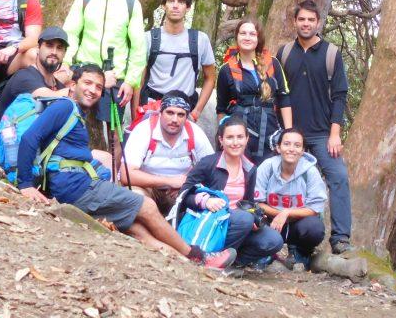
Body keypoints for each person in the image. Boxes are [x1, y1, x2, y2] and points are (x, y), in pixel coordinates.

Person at [15, 63, 236, 269]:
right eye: (87, 83)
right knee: (146, 206)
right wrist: (25, 184)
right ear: (72, 85)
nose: (93, 90)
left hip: (72, 185)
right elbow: (29, 138)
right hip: (76, 187)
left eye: (98, 87)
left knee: (136, 229)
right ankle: (198, 255)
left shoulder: (75, 114)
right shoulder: (64, 106)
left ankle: (188, 265)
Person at [276, 0, 353, 254]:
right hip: (291, 134)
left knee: (338, 177)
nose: (306, 24)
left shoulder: (331, 53)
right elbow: (280, 94)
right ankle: (290, 242)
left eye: (311, 19)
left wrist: (335, 133)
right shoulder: (285, 53)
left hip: (322, 134)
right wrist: (286, 133)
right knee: (288, 183)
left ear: (318, 22)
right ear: (295, 22)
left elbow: (339, 95)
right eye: (302, 19)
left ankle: (340, 238)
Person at [182, 117, 284, 268]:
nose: (235, 142)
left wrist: (255, 216)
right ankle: (207, 257)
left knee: (273, 240)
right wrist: (205, 201)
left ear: (247, 139)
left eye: (240, 137)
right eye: (230, 137)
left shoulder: (250, 168)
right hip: (209, 221)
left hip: (237, 224)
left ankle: (234, 262)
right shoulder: (208, 163)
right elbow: (183, 195)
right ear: (221, 140)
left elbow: (248, 202)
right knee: (244, 219)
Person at [61, 0, 146, 122]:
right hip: (84, 71)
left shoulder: (131, 3)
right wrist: (66, 63)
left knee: (113, 132)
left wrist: (130, 82)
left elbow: (138, 48)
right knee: (69, 120)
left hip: (115, 77)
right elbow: (71, 34)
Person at [120, 91, 214, 214]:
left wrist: (188, 183)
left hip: (181, 190)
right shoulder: (144, 130)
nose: (175, 119)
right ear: (160, 112)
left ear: (187, 117)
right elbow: (126, 175)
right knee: (135, 197)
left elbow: (212, 167)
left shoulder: (195, 132)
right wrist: (169, 181)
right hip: (147, 188)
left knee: (208, 202)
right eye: (170, 113)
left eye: (181, 115)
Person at [216, 18, 291, 164]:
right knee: (241, 170)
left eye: (252, 34)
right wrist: (223, 136)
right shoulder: (226, 69)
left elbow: (284, 98)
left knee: (269, 168)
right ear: (237, 36)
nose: (247, 37)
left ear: (258, 38)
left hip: (269, 129)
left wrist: (288, 133)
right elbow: (221, 109)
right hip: (239, 130)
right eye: (243, 33)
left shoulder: (272, 63)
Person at [136, 0, 216, 122]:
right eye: (171, 0)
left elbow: (210, 77)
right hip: (152, 107)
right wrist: (136, 113)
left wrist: (196, 112)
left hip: (184, 109)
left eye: (181, 2)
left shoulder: (200, 40)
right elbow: (139, 79)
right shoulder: (148, 38)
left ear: (188, 7)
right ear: (163, 5)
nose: (175, 6)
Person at [254, 128, 327, 268]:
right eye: (286, 144)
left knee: (314, 227)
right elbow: (257, 203)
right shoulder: (267, 167)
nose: (291, 149)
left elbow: (314, 209)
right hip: (271, 222)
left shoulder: (310, 172)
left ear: (303, 150)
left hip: (298, 224)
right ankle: (267, 252)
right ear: (278, 147)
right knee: (253, 218)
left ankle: (300, 252)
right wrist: (278, 215)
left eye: (297, 145)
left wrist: (286, 213)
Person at [0, 26, 71, 119]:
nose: (54, 52)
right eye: (49, 45)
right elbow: (47, 96)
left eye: (59, 48)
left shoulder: (59, 87)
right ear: (38, 48)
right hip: (7, 127)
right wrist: (75, 92)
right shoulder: (23, 77)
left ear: (64, 54)